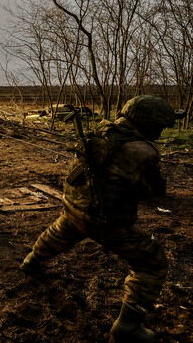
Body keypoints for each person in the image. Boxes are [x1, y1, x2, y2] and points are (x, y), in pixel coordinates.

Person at [20, 95, 180, 343]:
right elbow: (150, 193)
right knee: (152, 263)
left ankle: (32, 260)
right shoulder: (142, 151)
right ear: (151, 125)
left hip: (74, 207)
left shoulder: (100, 132)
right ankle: (127, 326)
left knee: (60, 232)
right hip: (107, 221)